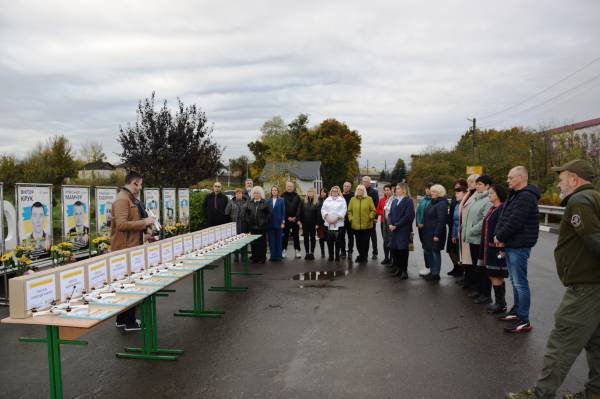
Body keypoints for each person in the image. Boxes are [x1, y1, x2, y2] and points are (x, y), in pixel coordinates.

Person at [506, 159, 600, 399]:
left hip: (586, 286)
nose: (559, 181)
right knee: (596, 342)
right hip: (594, 284)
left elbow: (593, 238)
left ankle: (540, 394)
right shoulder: (595, 197)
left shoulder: (579, 201)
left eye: (562, 177)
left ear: (574, 178)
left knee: (563, 338)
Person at [494, 166, 540, 334]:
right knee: (514, 280)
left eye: (510, 177)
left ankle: (524, 319)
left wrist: (500, 237)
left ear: (520, 178)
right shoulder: (515, 195)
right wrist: (498, 235)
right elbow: (504, 216)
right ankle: (516, 311)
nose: (508, 180)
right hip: (511, 243)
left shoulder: (526, 197)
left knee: (520, 282)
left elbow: (515, 221)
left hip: (519, 245)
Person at [111, 171, 156, 331]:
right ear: (134, 183)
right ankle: (129, 322)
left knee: (127, 285)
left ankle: (122, 320)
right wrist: (144, 222)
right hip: (124, 250)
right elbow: (122, 225)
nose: (141, 187)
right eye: (140, 184)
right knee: (129, 286)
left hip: (130, 248)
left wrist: (145, 228)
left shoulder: (129, 199)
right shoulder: (122, 200)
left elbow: (131, 222)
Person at [462, 175, 493, 304]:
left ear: (487, 186)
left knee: (482, 268)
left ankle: (486, 294)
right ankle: (479, 290)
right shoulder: (476, 198)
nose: (477, 186)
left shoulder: (488, 200)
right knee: (476, 266)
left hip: (479, 239)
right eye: (477, 184)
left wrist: (471, 230)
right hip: (472, 238)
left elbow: (484, 220)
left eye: (480, 184)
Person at [481, 184, 508, 314]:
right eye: (489, 193)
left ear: (498, 194)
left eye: (491, 193)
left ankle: (500, 303)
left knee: (495, 274)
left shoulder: (502, 208)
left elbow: (502, 227)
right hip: (490, 247)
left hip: (496, 248)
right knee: (494, 274)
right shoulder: (493, 208)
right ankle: (500, 302)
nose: (489, 195)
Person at [388, 183, 415, 279]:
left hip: (403, 229)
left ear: (404, 189)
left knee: (403, 250)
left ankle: (404, 271)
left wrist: (396, 225)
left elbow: (408, 216)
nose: (396, 190)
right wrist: (390, 224)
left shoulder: (408, 201)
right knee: (395, 249)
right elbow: (390, 214)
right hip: (394, 229)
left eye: (398, 188)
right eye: (396, 189)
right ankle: (398, 268)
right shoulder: (395, 201)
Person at [421, 184, 447, 281]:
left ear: (439, 193)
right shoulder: (433, 202)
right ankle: (432, 271)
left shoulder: (441, 204)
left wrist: (437, 234)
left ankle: (436, 273)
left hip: (435, 233)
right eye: (431, 191)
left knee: (435, 252)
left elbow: (441, 221)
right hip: (428, 232)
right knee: (429, 252)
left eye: (434, 192)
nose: (432, 193)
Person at [458, 174, 480, 289]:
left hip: (471, 231)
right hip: (464, 230)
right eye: (469, 182)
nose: (470, 184)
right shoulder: (468, 194)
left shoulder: (477, 195)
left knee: (472, 259)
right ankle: (468, 279)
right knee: (466, 258)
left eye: (472, 181)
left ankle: (472, 282)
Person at [347, 184, 376, 264]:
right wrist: (351, 219)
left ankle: (364, 256)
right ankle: (361, 255)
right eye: (358, 189)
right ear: (356, 190)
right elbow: (349, 211)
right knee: (358, 242)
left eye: (361, 190)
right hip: (355, 225)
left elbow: (373, 210)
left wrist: (370, 217)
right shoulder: (353, 199)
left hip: (367, 225)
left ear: (364, 191)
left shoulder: (369, 199)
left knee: (365, 241)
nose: (360, 191)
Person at [446, 179, 468, 277]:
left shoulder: (464, 203)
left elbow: (460, 221)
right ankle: (458, 269)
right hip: (454, 230)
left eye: (458, 188)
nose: (456, 190)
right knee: (452, 251)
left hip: (462, 233)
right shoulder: (456, 203)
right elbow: (454, 220)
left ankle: (463, 273)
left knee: (462, 255)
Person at [321, 186, 347, 261]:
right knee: (329, 241)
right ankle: (331, 256)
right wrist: (327, 218)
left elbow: (344, 210)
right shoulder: (327, 200)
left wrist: (336, 218)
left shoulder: (342, 200)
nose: (334, 192)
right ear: (331, 192)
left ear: (338, 192)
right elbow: (323, 209)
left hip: (338, 224)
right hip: (328, 223)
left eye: (336, 191)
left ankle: (337, 256)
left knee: (338, 241)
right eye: (333, 191)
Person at [245, 186, 270, 264]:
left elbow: (269, 214)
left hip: (261, 227)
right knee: (254, 243)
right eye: (255, 193)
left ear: (261, 194)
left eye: (258, 193)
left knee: (262, 243)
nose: (256, 194)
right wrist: (249, 221)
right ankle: (255, 257)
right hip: (252, 227)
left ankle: (262, 258)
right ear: (253, 194)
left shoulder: (265, 202)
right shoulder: (250, 203)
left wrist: (264, 222)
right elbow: (246, 214)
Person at [225, 188, 248, 261]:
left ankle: (244, 255)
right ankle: (236, 255)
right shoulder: (231, 202)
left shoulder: (246, 202)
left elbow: (249, 212)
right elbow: (226, 212)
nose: (238, 195)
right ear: (235, 195)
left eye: (240, 193)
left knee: (244, 239)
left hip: (244, 223)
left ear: (242, 194)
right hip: (234, 224)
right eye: (237, 193)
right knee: (235, 240)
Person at [416, 183, 433, 277]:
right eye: (426, 188)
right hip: (421, 227)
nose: (427, 190)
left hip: (428, 228)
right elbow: (418, 212)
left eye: (429, 189)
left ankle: (430, 267)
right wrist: (418, 223)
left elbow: (431, 216)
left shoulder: (433, 201)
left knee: (428, 248)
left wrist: (424, 224)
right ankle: (427, 266)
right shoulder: (422, 200)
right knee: (424, 247)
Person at [282, 181, 302, 259]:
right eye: (288, 186)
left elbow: (299, 208)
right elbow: (282, 208)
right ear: (286, 187)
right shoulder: (282, 196)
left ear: (293, 187)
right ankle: (283, 250)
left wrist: (295, 217)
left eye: (291, 186)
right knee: (285, 236)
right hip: (286, 219)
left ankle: (297, 250)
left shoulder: (297, 196)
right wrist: (287, 217)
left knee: (296, 236)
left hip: (295, 220)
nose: (289, 188)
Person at [298, 187, 319, 260]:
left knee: (313, 238)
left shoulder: (316, 202)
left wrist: (317, 224)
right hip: (305, 223)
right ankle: (307, 253)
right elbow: (299, 212)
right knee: (306, 238)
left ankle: (312, 253)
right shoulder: (303, 201)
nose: (310, 193)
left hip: (313, 223)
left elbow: (318, 214)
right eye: (309, 192)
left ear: (314, 193)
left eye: (311, 192)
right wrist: (299, 221)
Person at [266, 186, 286, 262]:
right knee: (271, 241)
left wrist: (283, 222)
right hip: (270, 224)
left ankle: (278, 256)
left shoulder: (281, 200)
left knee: (279, 240)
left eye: (275, 190)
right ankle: (273, 256)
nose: (274, 191)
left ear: (278, 192)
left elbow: (283, 212)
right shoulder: (268, 201)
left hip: (279, 224)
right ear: (271, 192)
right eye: (273, 190)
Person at [362, 176, 379, 259]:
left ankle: (375, 252)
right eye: (363, 181)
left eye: (366, 181)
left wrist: (375, 217)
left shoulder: (374, 192)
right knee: (365, 237)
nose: (364, 183)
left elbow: (376, 205)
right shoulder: (361, 191)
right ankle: (365, 253)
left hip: (371, 217)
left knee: (372, 235)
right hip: (363, 218)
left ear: (369, 182)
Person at [377, 184, 393, 264]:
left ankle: (392, 258)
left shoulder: (394, 200)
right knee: (385, 240)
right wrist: (383, 213)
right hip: (383, 222)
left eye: (388, 190)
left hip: (391, 223)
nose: (386, 191)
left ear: (391, 191)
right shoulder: (382, 200)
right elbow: (378, 209)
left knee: (391, 240)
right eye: (385, 190)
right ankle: (386, 257)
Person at [341, 181, 354, 258]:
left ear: (350, 187)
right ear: (343, 187)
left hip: (350, 220)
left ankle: (350, 251)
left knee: (350, 236)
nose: (346, 187)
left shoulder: (353, 196)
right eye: (345, 186)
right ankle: (343, 251)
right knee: (341, 236)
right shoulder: (340, 196)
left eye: (348, 186)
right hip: (341, 219)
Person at [316, 188, 328, 258]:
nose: (323, 193)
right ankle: (322, 252)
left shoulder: (329, 200)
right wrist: (316, 223)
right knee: (321, 238)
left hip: (328, 222)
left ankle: (330, 251)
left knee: (329, 238)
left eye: (324, 192)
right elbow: (317, 212)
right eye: (321, 192)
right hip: (320, 223)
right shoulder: (318, 201)